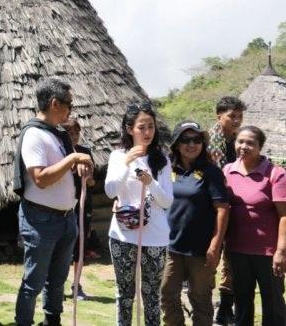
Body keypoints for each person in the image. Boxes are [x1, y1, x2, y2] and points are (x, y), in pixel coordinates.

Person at [12, 78, 93, 326]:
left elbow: (61, 170)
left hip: (65, 217)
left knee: (58, 279)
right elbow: (40, 179)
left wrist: (77, 166)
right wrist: (72, 160)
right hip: (41, 219)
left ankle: (52, 320)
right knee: (34, 280)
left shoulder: (58, 135)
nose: (71, 109)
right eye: (68, 104)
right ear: (55, 103)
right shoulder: (34, 134)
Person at [104, 102, 173, 326]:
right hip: (123, 235)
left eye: (151, 127)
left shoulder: (162, 160)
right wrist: (127, 162)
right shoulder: (117, 156)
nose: (147, 132)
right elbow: (110, 191)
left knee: (152, 295)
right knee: (124, 294)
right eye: (142, 127)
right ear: (129, 129)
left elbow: (167, 201)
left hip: (156, 236)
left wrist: (150, 182)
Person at [160, 121, 229, 326]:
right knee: (167, 293)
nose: (192, 144)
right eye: (185, 140)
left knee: (200, 299)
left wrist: (215, 246)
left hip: (201, 250)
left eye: (197, 139)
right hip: (171, 246)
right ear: (176, 144)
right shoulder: (167, 170)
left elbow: (222, 209)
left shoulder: (211, 172)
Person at [223, 125, 286, 326]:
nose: (244, 146)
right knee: (241, 301)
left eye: (250, 143)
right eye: (240, 141)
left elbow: (284, 216)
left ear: (260, 147)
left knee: (273, 302)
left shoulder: (275, 174)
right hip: (237, 249)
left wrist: (281, 251)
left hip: (267, 252)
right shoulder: (228, 171)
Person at [207, 96, 246, 324]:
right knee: (213, 254)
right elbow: (221, 175)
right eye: (232, 116)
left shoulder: (236, 139)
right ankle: (207, 307)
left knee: (231, 259)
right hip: (215, 206)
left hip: (231, 205)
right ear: (218, 115)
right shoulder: (214, 137)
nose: (236, 120)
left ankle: (225, 308)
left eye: (239, 116)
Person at [61, 117, 96, 301]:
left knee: (80, 246)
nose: (74, 136)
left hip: (83, 205)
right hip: (63, 205)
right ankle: (56, 284)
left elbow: (92, 181)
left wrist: (87, 177)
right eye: (70, 133)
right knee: (61, 246)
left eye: (76, 132)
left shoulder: (85, 152)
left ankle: (76, 284)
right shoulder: (58, 152)